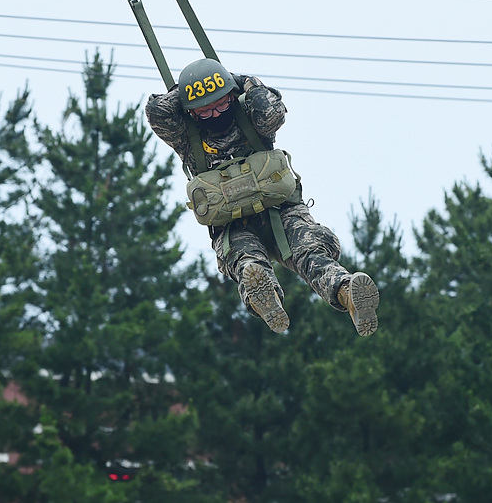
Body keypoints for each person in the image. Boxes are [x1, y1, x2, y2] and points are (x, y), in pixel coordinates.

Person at [145, 58, 379, 335]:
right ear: (192, 113)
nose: (216, 114)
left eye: (221, 104)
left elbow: (273, 111)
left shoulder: (251, 117)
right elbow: (158, 111)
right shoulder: (186, 135)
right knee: (247, 263)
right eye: (205, 111)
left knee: (311, 252)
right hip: (231, 224)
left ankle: (347, 292)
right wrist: (186, 91)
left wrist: (242, 80)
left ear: (232, 96)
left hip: (282, 211)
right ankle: (268, 300)